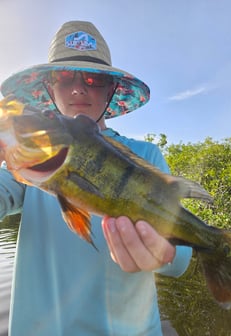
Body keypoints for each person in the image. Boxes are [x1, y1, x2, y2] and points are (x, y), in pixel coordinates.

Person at [0, 21, 192, 336]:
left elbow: (181, 259)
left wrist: (166, 253)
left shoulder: (147, 155)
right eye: (64, 78)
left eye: (92, 78)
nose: (78, 88)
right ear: (50, 88)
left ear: (110, 88)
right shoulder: (30, 162)